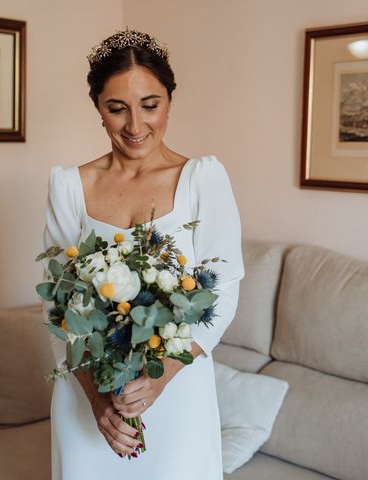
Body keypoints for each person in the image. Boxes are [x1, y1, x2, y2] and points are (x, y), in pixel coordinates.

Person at [43, 28, 244, 480]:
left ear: (170, 101)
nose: (136, 127)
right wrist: (97, 400)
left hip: (178, 391)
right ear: (98, 109)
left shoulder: (202, 180)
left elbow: (223, 292)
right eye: (117, 109)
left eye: (150, 105)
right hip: (88, 394)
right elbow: (56, 305)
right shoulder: (69, 186)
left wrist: (161, 376)